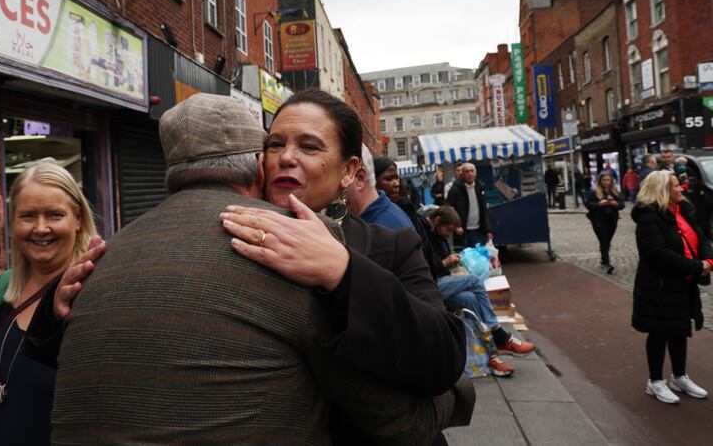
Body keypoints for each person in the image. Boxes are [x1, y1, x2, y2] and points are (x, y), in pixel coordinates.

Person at [49, 94, 456, 444]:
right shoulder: (233, 243)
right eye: (274, 144)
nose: (286, 157)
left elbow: (441, 353)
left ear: (349, 171)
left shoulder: (388, 245)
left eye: (310, 147)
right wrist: (58, 310)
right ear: (258, 163)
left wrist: (344, 271)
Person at [0, 163, 96, 446]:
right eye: (28, 216)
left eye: (55, 215)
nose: (41, 228)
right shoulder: (3, 291)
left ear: (78, 218)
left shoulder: (96, 291)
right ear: (13, 221)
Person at [631, 170, 712, 404]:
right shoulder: (649, 217)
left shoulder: (685, 210)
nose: (681, 189)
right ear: (663, 190)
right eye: (676, 186)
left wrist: (707, 259)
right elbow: (657, 253)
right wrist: (696, 266)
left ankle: (679, 377)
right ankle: (655, 381)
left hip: (683, 283)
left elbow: (701, 237)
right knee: (659, 331)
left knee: (679, 329)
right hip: (659, 285)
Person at [426, 206, 534, 377]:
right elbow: (428, 267)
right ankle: (498, 332)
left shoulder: (439, 237)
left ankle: (490, 354)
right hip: (430, 287)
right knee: (475, 281)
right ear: (437, 221)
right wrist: (445, 262)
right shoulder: (425, 235)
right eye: (448, 229)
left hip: (441, 283)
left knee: (469, 298)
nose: (449, 234)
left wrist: (453, 267)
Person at [346, 144, 414, 231]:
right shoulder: (371, 222)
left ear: (360, 178)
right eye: (389, 179)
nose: (397, 183)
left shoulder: (385, 228)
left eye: (397, 178)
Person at [585, 171, 625, 274]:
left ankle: (603, 260)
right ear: (600, 180)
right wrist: (599, 204)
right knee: (604, 240)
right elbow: (588, 204)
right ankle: (606, 263)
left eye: (608, 180)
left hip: (612, 219)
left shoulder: (614, 191)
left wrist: (615, 204)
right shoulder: (594, 191)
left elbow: (622, 204)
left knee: (608, 241)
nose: (606, 182)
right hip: (599, 220)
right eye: (604, 180)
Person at [446, 162, 492, 248]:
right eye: (467, 171)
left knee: (478, 258)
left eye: (472, 171)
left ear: (476, 173)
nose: (470, 174)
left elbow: (484, 210)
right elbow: (449, 209)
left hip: (478, 232)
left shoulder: (480, 187)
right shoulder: (455, 189)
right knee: (464, 259)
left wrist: (488, 230)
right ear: (462, 174)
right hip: (462, 232)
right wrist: (456, 226)